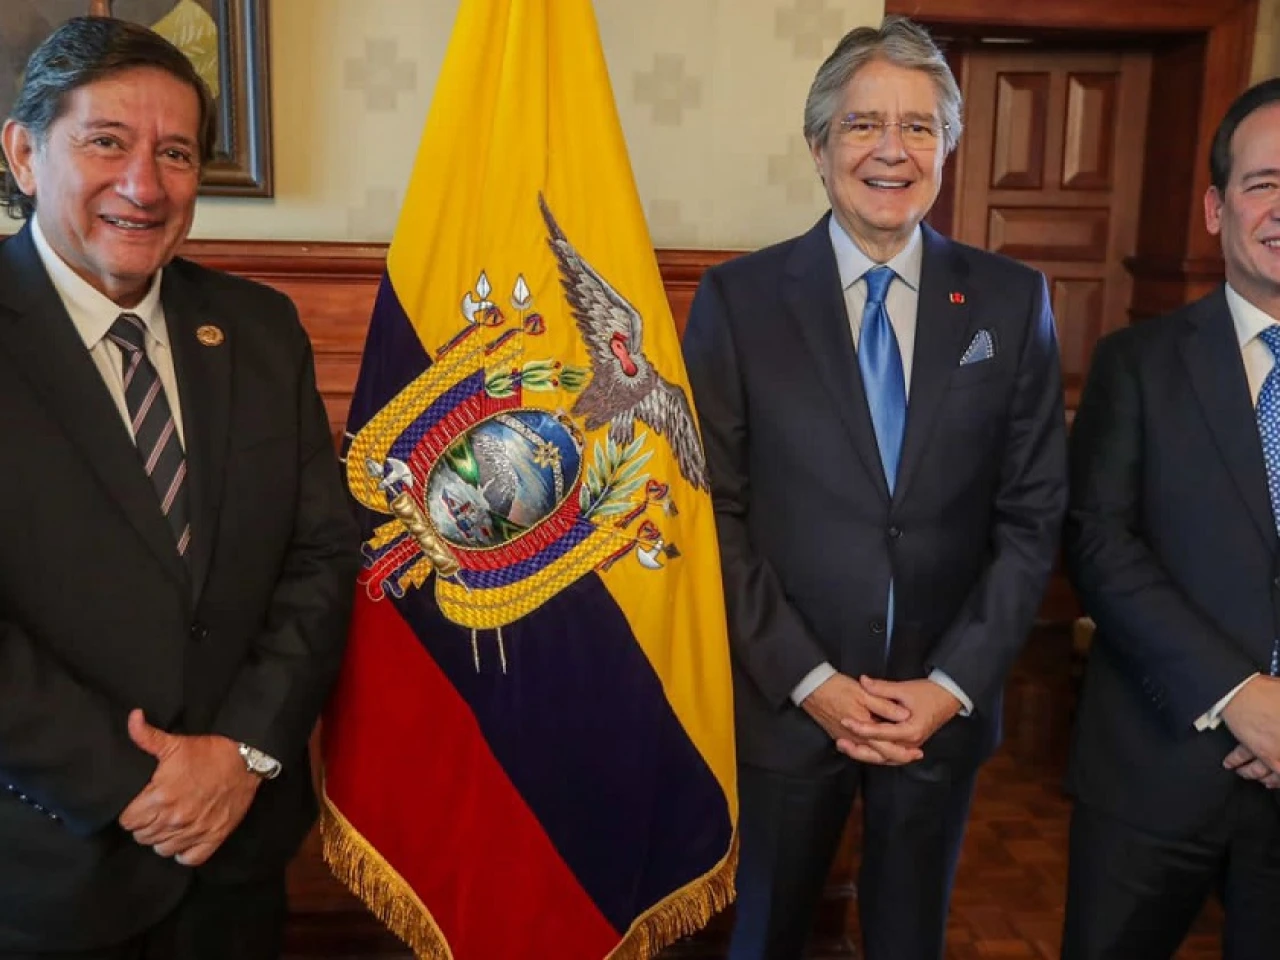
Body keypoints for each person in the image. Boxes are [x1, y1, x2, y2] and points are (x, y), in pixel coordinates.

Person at [681, 15, 1067, 960]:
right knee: (765, 937)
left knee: (909, 941)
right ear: (819, 148)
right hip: (785, 706)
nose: (892, 150)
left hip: (939, 711)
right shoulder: (738, 301)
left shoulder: (1012, 300)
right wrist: (811, 681)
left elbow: (1032, 516)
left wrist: (950, 684)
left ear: (946, 150)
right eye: (863, 124)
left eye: (918, 126)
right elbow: (710, 510)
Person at [0, 17, 358, 959]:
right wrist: (135, 786)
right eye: (105, 142)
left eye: (175, 154)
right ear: (25, 154)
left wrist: (241, 752)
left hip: (236, 857)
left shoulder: (260, 327)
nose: (144, 186)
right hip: (42, 867)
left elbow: (321, 557)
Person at [1062, 76, 1280, 959]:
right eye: (1264, 184)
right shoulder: (1137, 363)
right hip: (1154, 768)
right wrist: (1242, 698)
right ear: (1215, 208)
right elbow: (1099, 545)